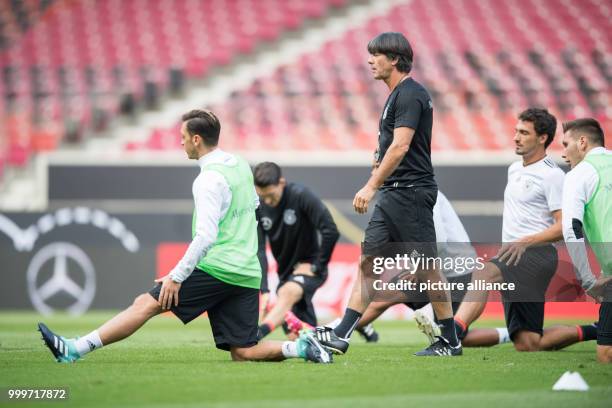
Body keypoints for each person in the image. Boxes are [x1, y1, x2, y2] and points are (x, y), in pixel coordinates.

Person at [37, 109, 331, 364]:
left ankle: (73, 349)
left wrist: (176, 276)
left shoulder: (207, 179)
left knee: (146, 303)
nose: (179, 142)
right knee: (242, 351)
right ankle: (301, 347)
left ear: (196, 139)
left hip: (219, 268)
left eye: (182, 136)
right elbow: (254, 208)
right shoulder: (240, 164)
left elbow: (205, 236)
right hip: (246, 274)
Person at [315, 32, 462, 356]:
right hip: (394, 195)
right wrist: (379, 161)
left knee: (427, 267)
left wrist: (371, 185)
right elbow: (392, 148)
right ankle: (342, 334)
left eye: (376, 54)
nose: (370, 60)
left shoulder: (410, 93)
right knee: (368, 264)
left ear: (394, 59)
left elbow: (401, 145)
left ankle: (451, 340)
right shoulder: (397, 95)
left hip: (410, 193)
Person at [431, 108, 598, 351]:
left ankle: (451, 335)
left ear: (542, 138)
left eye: (524, 132)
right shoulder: (514, 169)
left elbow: (564, 227)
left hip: (535, 255)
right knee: (529, 343)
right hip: (514, 253)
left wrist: (525, 242)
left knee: (483, 274)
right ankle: (596, 328)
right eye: (516, 131)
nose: (516, 137)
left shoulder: (551, 175)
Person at [330, 191, 512, 345]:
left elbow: (438, 242)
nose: (374, 171)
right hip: (433, 270)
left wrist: (418, 269)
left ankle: (512, 333)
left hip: (457, 271)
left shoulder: (423, 194)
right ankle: (341, 328)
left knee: (454, 338)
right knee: (383, 297)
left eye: (378, 166)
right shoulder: (401, 196)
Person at [253, 162, 340, 339]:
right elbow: (259, 249)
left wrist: (317, 266)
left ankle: (258, 334)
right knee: (300, 338)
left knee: (287, 292)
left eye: (271, 195)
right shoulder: (258, 205)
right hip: (285, 273)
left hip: (309, 269)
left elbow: (331, 230)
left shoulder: (301, 196)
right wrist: (264, 290)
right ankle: (339, 327)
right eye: (263, 196)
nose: (267, 201)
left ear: (282, 183)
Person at [561, 117, 612, 363]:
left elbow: (572, 228)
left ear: (582, 142)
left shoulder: (579, 174)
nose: (563, 153)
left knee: (606, 355)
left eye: (565, 144)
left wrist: (589, 281)